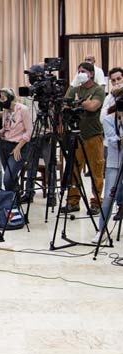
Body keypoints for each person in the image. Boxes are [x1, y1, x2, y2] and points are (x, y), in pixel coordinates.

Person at [62, 62, 106, 215]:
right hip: (76, 134)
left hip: (93, 136)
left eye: (83, 71)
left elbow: (93, 106)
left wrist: (77, 103)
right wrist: (81, 101)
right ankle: (73, 201)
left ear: (91, 74)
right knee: (74, 170)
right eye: (78, 71)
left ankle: (96, 202)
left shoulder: (98, 90)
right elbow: (65, 105)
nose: (80, 74)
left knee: (96, 170)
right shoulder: (75, 89)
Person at [19, 64, 57, 206]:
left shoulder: (48, 93)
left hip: (47, 133)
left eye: (32, 75)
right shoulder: (28, 93)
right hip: (32, 134)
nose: (30, 78)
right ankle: (29, 193)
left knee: (50, 165)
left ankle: (52, 195)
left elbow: (54, 111)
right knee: (31, 165)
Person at [96, 97, 123, 243]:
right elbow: (113, 141)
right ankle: (102, 230)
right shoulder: (108, 120)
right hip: (114, 163)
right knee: (108, 196)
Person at [0, 88, 32, 194]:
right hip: (5, 144)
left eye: (3, 98)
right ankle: (14, 198)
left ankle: (13, 196)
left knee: (8, 178)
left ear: (10, 97)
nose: (1, 101)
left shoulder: (23, 109)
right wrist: (0, 132)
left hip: (19, 146)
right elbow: (6, 127)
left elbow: (29, 131)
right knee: (11, 177)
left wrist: (18, 147)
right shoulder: (5, 111)